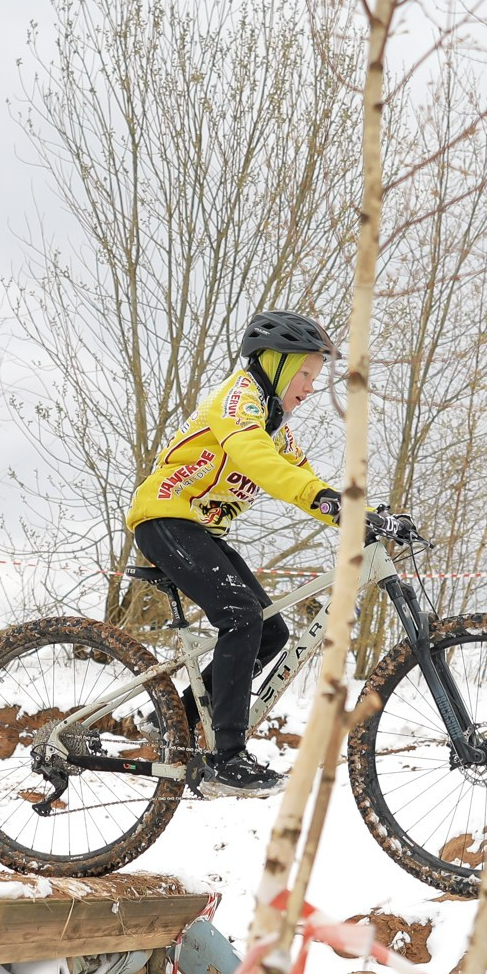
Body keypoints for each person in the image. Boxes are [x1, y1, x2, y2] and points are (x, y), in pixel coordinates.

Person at [126, 310, 352, 798]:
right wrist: (326, 502)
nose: (311, 387)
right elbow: (259, 462)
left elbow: (306, 477)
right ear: (276, 363)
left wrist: (363, 513)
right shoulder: (238, 400)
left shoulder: (275, 424)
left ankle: (177, 722)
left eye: (315, 378)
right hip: (165, 518)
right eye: (306, 374)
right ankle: (226, 757)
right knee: (241, 614)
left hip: (201, 531)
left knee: (271, 630)